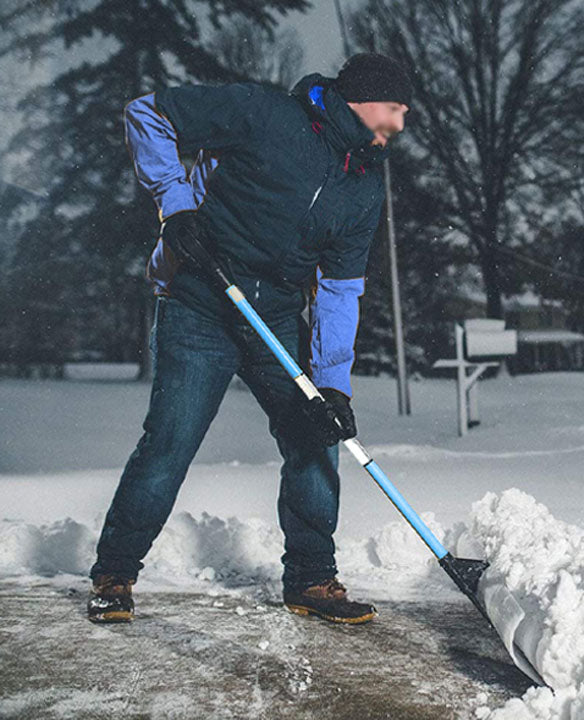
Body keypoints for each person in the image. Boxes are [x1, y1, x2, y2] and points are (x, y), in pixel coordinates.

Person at [86, 53, 413, 625]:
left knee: (316, 436)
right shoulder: (264, 114)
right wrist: (176, 205)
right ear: (360, 101)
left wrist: (333, 386)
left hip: (278, 318)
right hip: (200, 301)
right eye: (393, 110)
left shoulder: (363, 185)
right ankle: (114, 573)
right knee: (170, 441)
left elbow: (340, 289)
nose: (399, 126)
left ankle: (311, 578)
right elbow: (148, 113)